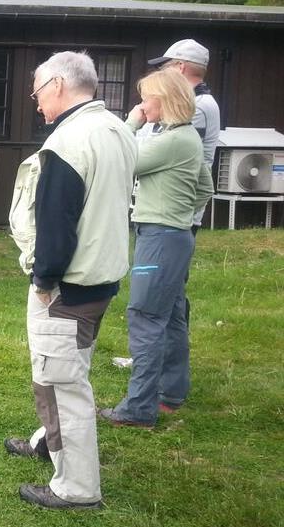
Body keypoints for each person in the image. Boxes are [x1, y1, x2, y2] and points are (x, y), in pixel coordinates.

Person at [5, 51, 137, 510]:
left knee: (61, 382)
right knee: (65, 367)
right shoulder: (117, 129)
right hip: (102, 279)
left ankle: (77, 488)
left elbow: (56, 224)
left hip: (68, 285)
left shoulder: (68, 142)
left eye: (38, 90)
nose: (35, 101)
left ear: (58, 85)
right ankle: (48, 442)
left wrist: (44, 280)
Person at [99, 69, 214, 428]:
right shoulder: (186, 138)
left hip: (160, 236)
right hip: (176, 235)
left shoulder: (172, 140)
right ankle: (172, 391)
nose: (141, 104)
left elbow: (122, 158)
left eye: (146, 98)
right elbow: (205, 187)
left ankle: (138, 409)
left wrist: (129, 125)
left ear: (164, 100)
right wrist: (180, 212)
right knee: (173, 315)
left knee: (146, 318)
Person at [146, 38, 220, 232]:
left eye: (164, 67)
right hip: (172, 209)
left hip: (174, 211)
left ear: (180, 67)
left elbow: (160, 146)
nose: (161, 74)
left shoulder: (197, 105)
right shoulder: (195, 102)